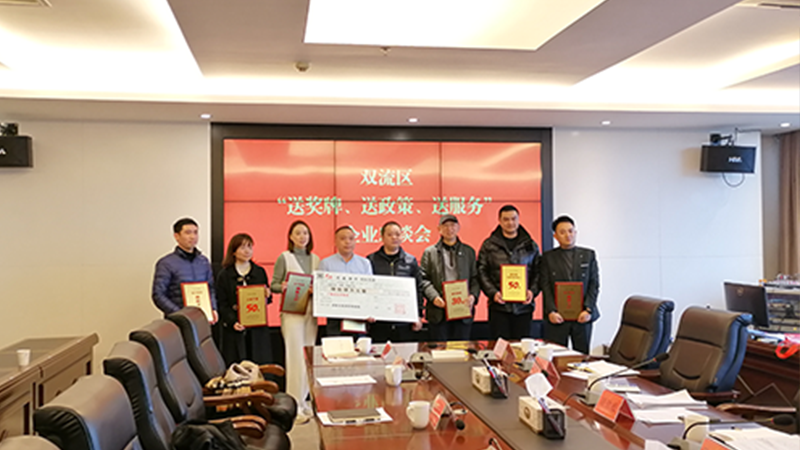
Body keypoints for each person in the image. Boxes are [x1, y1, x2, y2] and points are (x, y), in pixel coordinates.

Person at [270, 220, 320, 424]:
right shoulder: (284, 257)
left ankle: (305, 401)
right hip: (292, 313)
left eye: (305, 233)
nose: (302, 237)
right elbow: (273, 285)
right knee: (294, 357)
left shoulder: (316, 259)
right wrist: (283, 286)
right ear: (290, 236)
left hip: (311, 312)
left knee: (308, 357)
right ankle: (293, 405)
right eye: (298, 233)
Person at [477, 205, 540, 340]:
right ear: (499, 221)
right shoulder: (489, 245)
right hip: (499, 306)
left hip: (523, 308)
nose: (510, 223)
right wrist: (493, 293)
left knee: (522, 347)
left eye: (513, 219)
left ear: (518, 219)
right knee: (500, 347)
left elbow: (538, 272)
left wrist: (532, 291)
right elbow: (482, 271)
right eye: (506, 219)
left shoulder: (530, 245)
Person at [541, 215, 600, 354]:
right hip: (557, 316)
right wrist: (551, 311)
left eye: (571, 231)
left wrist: (588, 309)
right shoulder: (548, 257)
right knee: (556, 356)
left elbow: (594, 284)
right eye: (562, 232)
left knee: (582, 356)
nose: (568, 235)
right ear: (555, 236)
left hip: (582, 315)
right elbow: (545, 286)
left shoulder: (588, 255)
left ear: (575, 232)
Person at [419, 215, 481, 341]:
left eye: (452, 225)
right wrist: (434, 297)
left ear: (458, 227)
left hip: (462, 311)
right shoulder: (430, 252)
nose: (449, 229)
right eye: (445, 226)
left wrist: (473, 296)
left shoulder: (469, 252)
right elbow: (423, 279)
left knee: (461, 350)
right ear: (439, 229)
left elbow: (475, 278)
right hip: (438, 311)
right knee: (439, 350)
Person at [215, 233, 272, 367]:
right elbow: (222, 303)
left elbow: (267, 300)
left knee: (259, 365)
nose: (247, 251)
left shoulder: (259, 271)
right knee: (238, 366)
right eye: (242, 247)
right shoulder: (225, 275)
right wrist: (232, 321)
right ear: (233, 252)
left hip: (257, 328)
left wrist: (267, 295)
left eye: (249, 247)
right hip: (235, 328)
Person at [152, 217, 218, 323]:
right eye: (188, 233)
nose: (193, 236)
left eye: (195, 232)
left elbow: (210, 289)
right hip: (177, 321)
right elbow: (158, 295)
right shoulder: (166, 263)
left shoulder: (203, 261)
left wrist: (213, 308)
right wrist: (179, 314)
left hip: (202, 319)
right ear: (176, 236)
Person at [367, 221, 424, 343]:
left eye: (397, 234)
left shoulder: (410, 261)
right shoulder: (371, 260)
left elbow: (418, 289)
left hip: (404, 322)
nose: (394, 237)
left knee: (404, 353)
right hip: (379, 322)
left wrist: (418, 315)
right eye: (390, 234)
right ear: (382, 237)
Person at [318, 226, 373, 336]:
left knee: (358, 346)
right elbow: (321, 291)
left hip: (358, 317)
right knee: (336, 347)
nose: (347, 242)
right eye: (343, 238)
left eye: (351, 238)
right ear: (335, 242)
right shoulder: (326, 263)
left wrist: (370, 311)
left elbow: (370, 291)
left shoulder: (364, 263)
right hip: (335, 318)